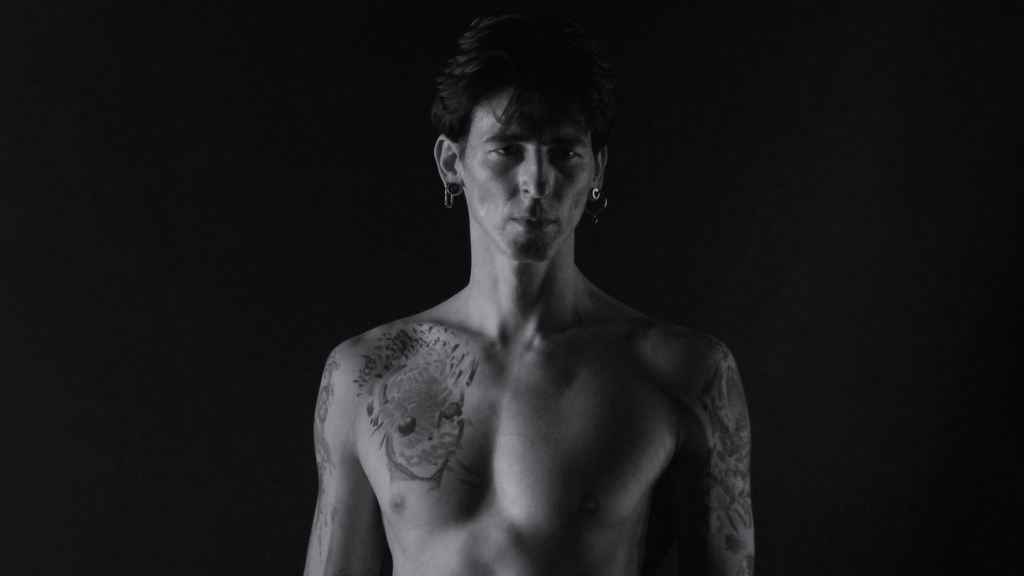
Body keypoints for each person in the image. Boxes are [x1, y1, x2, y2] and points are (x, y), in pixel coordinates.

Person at [303, 13, 753, 576]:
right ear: (452, 163)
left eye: (564, 152)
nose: (536, 181)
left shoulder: (681, 373)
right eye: (507, 149)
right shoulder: (363, 375)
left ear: (597, 169)